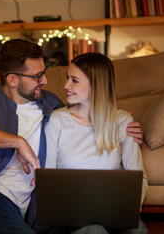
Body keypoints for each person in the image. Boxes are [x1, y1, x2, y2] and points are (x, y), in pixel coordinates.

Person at [0, 39, 144, 234]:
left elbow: (83, 118)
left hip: (23, 207)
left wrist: (120, 123)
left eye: (44, 71)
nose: (46, 80)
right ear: (12, 79)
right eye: (37, 76)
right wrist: (18, 142)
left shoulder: (50, 103)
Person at [45, 52, 149, 234]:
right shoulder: (56, 121)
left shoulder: (123, 121)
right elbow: (46, 179)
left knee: (137, 229)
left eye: (74, 80)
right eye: (67, 78)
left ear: (96, 84)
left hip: (114, 214)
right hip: (71, 219)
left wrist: (127, 210)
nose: (66, 85)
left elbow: (139, 177)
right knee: (95, 231)